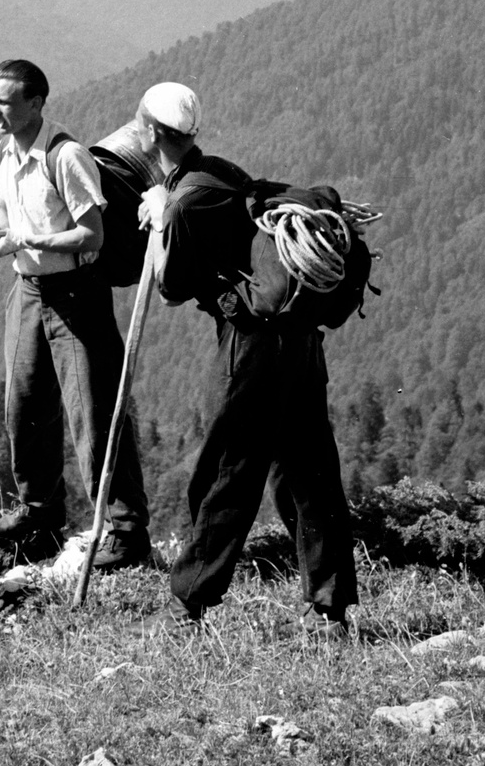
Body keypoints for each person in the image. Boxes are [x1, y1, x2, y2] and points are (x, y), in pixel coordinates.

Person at [138, 82, 359, 630]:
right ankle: (330, 606)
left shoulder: (183, 201)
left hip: (250, 344)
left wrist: (162, 218)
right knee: (309, 469)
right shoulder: (223, 173)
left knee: (228, 469)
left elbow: (169, 289)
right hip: (301, 338)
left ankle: (188, 603)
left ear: (151, 132)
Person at [0, 57, 152, 568]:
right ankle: (40, 516)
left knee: (93, 414)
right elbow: (8, 213)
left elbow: (91, 235)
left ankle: (126, 531)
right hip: (27, 290)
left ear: (36, 103)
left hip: (76, 294)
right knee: (24, 407)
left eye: (4, 103)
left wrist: (27, 239)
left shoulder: (66, 156)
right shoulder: (6, 150)